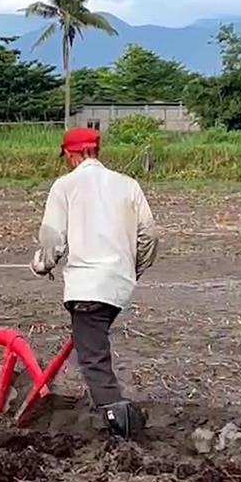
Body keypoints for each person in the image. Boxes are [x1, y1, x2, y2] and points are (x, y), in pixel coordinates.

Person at [30, 127, 159, 439]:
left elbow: (52, 240)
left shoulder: (65, 186)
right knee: (90, 343)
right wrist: (133, 269)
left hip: (87, 286)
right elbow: (150, 236)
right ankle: (107, 408)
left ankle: (121, 424)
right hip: (119, 285)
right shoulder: (128, 185)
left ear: (72, 156)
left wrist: (41, 265)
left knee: (93, 360)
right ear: (96, 151)